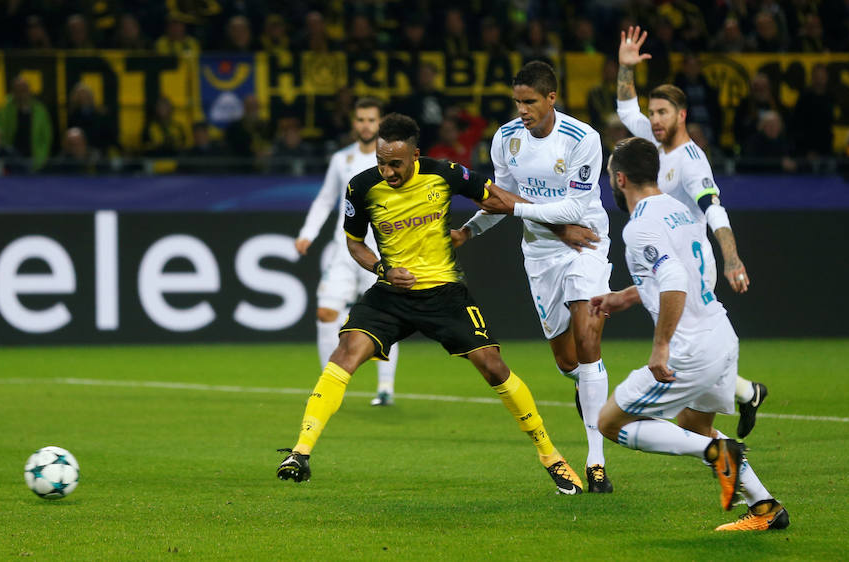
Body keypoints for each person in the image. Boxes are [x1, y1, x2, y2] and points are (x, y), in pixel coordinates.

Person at [278, 113, 588, 495]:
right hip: (391, 293)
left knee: (493, 367)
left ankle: (550, 455)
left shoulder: (444, 173)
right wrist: (381, 268)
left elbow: (499, 199)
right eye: (381, 162)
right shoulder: (361, 187)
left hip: (445, 292)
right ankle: (300, 452)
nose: (388, 171)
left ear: (416, 155)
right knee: (345, 353)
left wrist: (560, 227)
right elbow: (354, 242)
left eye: (396, 163)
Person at [593, 136, 790, 532]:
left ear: (620, 179)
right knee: (694, 425)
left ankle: (717, 453)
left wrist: (661, 347)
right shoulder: (681, 212)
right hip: (721, 334)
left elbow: (674, 279)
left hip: (688, 350)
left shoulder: (639, 227)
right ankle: (766, 507)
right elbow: (693, 272)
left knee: (609, 423)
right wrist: (627, 297)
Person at [451, 61, 615, 493]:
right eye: (517, 102)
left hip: (587, 242)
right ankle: (590, 387)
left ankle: (596, 462)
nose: (522, 110)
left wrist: (516, 208)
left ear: (551, 99)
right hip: (540, 253)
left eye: (530, 102)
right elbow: (498, 200)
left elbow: (575, 212)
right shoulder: (506, 139)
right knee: (567, 362)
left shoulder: (583, 139)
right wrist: (468, 231)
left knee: (587, 335)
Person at [616, 26, 767, 438]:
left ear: (682, 115)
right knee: (696, 413)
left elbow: (713, 211)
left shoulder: (691, 160)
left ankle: (727, 394)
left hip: (687, 263)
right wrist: (625, 67)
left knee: (682, 352)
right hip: (666, 258)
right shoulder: (652, 140)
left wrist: (732, 258)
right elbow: (627, 109)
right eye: (653, 113)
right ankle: (745, 392)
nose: (654, 120)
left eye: (663, 113)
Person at [295, 98, 399, 406]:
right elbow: (326, 200)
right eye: (360, 119)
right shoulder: (342, 160)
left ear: (380, 123)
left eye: (371, 119)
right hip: (345, 248)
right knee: (326, 313)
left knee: (385, 318)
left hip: (380, 251)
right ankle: (329, 385)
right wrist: (307, 234)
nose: (365, 124)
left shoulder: (393, 158)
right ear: (354, 123)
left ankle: (385, 388)